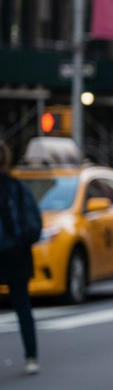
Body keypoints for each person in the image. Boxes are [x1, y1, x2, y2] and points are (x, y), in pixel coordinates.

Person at [0, 140, 43, 375]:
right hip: (18, 253)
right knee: (22, 307)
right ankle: (31, 357)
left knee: (22, 306)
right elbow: (34, 223)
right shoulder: (17, 187)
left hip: (12, 252)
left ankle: (32, 357)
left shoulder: (16, 188)